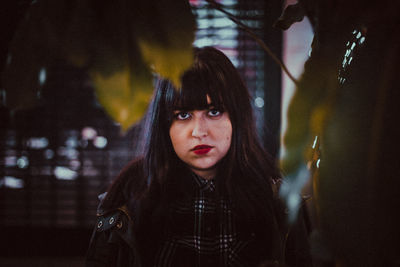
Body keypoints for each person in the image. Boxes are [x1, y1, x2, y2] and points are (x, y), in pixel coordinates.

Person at [86, 46, 311, 267]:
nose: (199, 131)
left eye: (214, 112)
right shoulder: (127, 198)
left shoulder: (278, 197)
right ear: (164, 126)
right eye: (183, 115)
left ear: (237, 118)